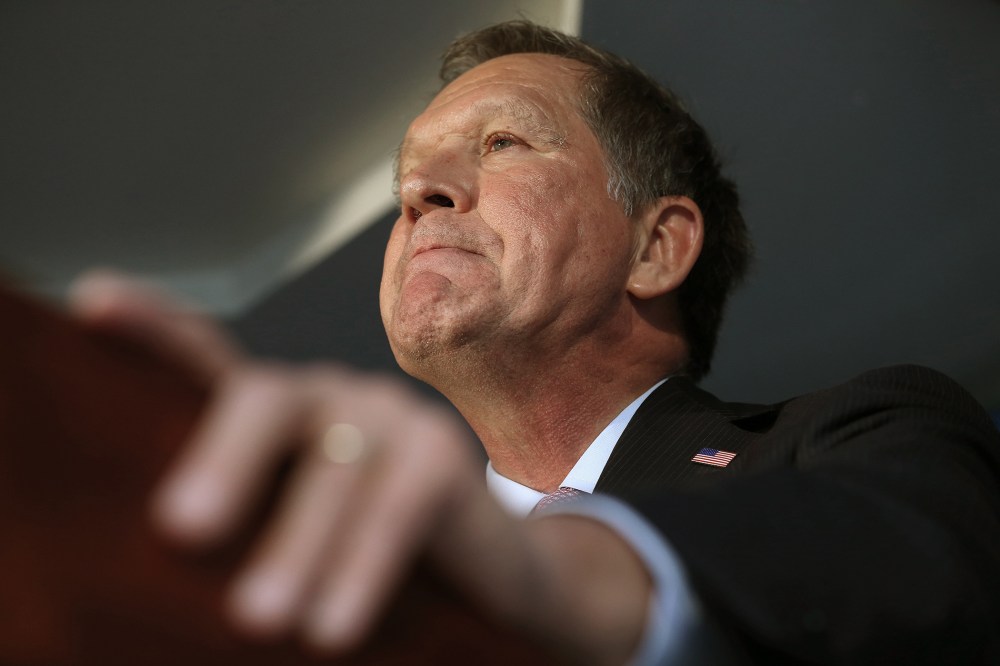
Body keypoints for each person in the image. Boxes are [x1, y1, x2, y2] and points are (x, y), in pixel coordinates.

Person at [70, 20, 1000, 665]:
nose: (419, 194)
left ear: (656, 246)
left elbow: (931, 570)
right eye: (410, 178)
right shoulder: (339, 574)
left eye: (504, 143)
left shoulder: (853, 434)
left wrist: (551, 575)